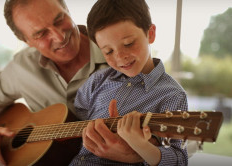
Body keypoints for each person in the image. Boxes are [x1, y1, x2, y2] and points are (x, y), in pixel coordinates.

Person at [0, 0, 155, 165]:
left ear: (68, 10)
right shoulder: (22, 66)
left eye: (60, 19)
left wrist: (135, 155)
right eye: (41, 34)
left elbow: (160, 140)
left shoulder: (124, 57)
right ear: (26, 41)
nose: (60, 37)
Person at [69, 0, 188, 165]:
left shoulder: (172, 95)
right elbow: (79, 113)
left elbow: (179, 159)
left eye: (128, 44)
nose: (119, 57)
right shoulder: (97, 80)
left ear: (150, 34)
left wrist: (140, 146)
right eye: (108, 51)